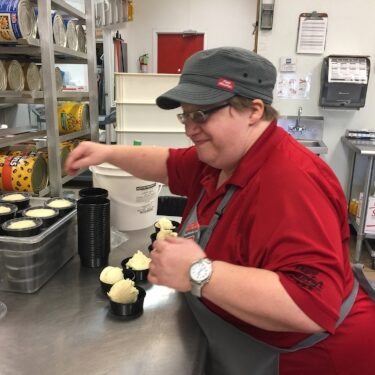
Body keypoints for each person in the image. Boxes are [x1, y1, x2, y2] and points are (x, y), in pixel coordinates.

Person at [65, 47, 375, 375]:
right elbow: (167, 164)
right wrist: (103, 152)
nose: (189, 128)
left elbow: (310, 305)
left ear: (253, 110)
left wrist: (198, 271)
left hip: (310, 360)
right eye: (186, 115)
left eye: (201, 115)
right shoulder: (220, 158)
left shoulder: (292, 181)